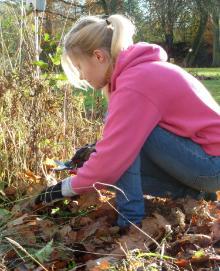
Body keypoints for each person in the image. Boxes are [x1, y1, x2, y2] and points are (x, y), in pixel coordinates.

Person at [36, 14, 220, 229]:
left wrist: (63, 189)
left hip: (211, 166)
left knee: (121, 149)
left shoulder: (135, 82)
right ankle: (193, 194)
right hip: (206, 162)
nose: (82, 76)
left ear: (98, 56)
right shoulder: (140, 72)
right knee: (117, 149)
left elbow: (114, 156)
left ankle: (130, 224)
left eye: (79, 67)